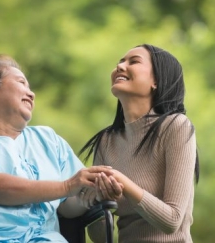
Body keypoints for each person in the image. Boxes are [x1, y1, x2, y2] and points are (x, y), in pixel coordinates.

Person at [0, 54, 119, 243]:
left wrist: (93, 193)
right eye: (21, 83)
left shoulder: (48, 140)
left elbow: (67, 208)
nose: (31, 93)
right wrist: (67, 186)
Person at [79, 44, 199, 243]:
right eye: (120, 61)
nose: (120, 66)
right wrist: (98, 202)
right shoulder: (107, 141)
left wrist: (122, 182)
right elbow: (101, 236)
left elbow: (172, 221)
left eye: (133, 61)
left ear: (157, 81)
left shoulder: (176, 127)